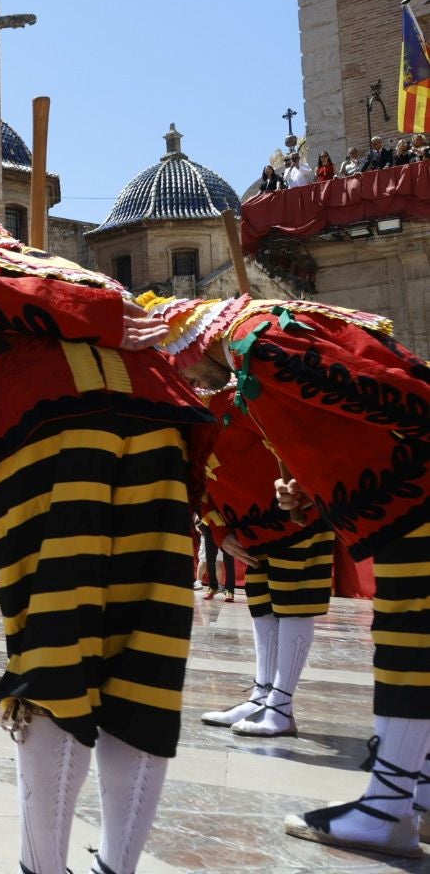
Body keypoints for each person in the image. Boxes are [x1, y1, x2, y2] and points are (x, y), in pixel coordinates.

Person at [0, 186, 213, 874]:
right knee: (140, 664)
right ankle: (114, 866)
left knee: (56, 656)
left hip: (48, 436)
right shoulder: (82, 275)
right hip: (157, 433)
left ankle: (44, 867)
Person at [142, 292, 430, 858]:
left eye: (179, 367)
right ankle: (414, 797)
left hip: (414, 498)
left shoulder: (258, 344)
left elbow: (387, 396)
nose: (189, 380)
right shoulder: (267, 336)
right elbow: (349, 422)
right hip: (409, 495)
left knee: (407, 645)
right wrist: (312, 487)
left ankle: (387, 808)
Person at [174, 365, 331, 740]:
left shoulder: (246, 395)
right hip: (248, 531)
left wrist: (303, 493)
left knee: (292, 608)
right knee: (262, 608)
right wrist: (219, 528)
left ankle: (281, 705)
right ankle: (263, 695)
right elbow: (196, 473)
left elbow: (300, 446)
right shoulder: (187, 404)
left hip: (296, 522)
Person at [200, 515, 237, 602]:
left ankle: (230, 590)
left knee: (229, 560)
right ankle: (212, 587)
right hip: (209, 522)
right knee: (210, 559)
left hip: (226, 522)